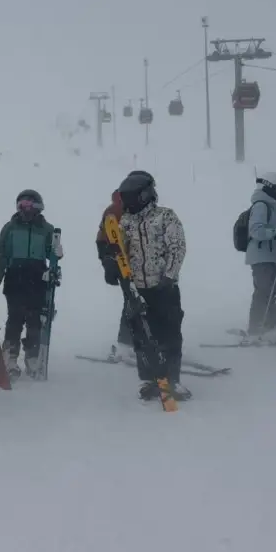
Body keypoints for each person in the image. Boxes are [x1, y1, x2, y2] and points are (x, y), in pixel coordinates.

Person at [115, 172, 190, 401]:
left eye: (132, 197)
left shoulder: (165, 217)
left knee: (169, 334)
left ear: (145, 195)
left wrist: (169, 276)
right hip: (138, 288)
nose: (129, 203)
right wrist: (114, 267)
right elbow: (121, 252)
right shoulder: (125, 222)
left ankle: (172, 379)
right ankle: (149, 379)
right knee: (141, 335)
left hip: (163, 288)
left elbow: (177, 247)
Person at [0, 190, 61, 378]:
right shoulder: (10, 228)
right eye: (21, 205)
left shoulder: (46, 229)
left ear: (38, 207)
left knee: (35, 320)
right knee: (15, 318)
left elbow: (51, 254)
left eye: (29, 205)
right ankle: (10, 358)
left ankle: (33, 357)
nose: (25, 209)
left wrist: (56, 256)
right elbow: (2, 255)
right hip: (15, 278)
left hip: (37, 278)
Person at [96, 185, 137, 360]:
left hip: (144, 264)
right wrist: (108, 262)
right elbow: (102, 238)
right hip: (123, 264)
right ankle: (125, 345)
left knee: (144, 301)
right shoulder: (114, 210)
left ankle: (146, 341)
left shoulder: (142, 209)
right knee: (133, 300)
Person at [245, 171, 276, 338]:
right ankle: (256, 328)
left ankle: (270, 325)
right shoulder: (261, 205)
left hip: (270, 255)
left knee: (271, 290)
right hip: (261, 255)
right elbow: (255, 230)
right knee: (263, 291)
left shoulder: (273, 205)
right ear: (269, 187)